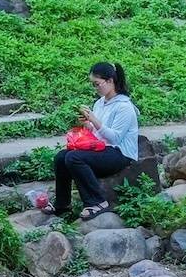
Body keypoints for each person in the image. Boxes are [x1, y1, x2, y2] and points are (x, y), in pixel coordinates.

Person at [51, 61, 139, 219]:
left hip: (119, 153)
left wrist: (94, 120)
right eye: (93, 84)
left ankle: (97, 201)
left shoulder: (124, 107)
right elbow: (97, 135)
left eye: (97, 84)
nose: (95, 88)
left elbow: (115, 138)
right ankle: (62, 204)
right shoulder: (100, 103)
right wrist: (87, 124)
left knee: (74, 157)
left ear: (110, 81)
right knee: (61, 157)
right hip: (101, 149)